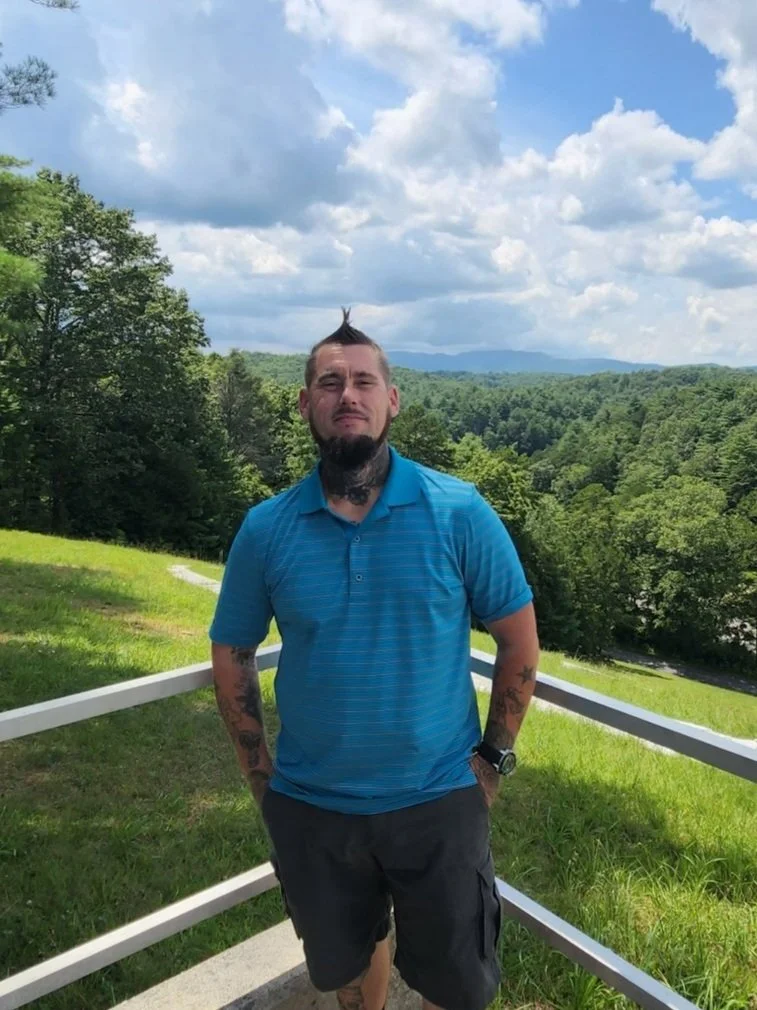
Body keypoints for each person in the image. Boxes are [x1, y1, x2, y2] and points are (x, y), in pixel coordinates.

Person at [209, 310, 540, 1010]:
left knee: (457, 983)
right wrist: (258, 772)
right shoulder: (266, 529)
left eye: (364, 382)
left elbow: (518, 642)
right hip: (312, 808)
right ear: (305, 404)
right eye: (330, 383)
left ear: (392, 401)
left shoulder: (459, 512)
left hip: (439, 803)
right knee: (348, 967)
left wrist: (492, 760)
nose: (347, 396)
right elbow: (232, 651)